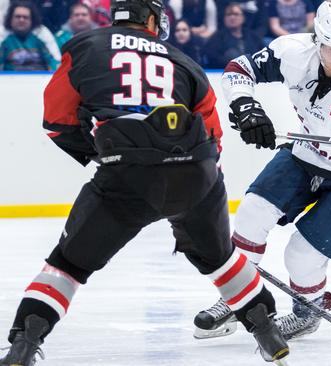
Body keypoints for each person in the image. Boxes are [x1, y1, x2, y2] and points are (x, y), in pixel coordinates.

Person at [0, 0, 288, 365]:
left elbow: (56, 120)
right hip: (196, 169)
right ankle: (267, 330)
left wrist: (101, 152)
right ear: (152, 19)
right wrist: (198, 191)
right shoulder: (184, 61)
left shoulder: (84, 46)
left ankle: (25, 341)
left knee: (67, 266)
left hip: (127, 174)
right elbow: (213, 139)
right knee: (220, 260)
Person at [193, 0, 331, 341]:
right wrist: (246, 106)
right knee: (251, 213)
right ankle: (237, 298)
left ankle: (308, 310)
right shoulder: (292, 51)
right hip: (305, 153)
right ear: (316, 40)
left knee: (301, 255)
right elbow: (239, 69)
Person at [203, 3, 266, 69]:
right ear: (224, 18)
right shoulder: (216, 38)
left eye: (236, 14)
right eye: (229, 14)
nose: (232, 17)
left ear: (243, 18)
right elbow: (212, 57)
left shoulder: (254, 37)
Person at [0, 1, 59, 70]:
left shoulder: (42, 33)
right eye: (17, 17)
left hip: (41, 78)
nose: (21, 20)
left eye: (25, 17)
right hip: (9, 78)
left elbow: (55, 60)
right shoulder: (3, 34)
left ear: (32, 20)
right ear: (10, 18)